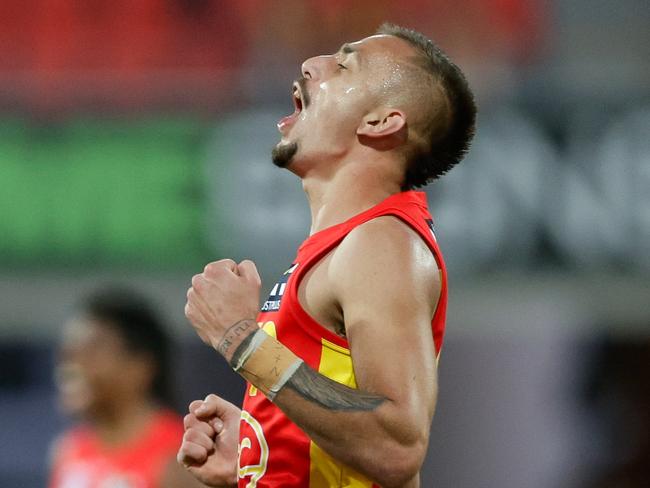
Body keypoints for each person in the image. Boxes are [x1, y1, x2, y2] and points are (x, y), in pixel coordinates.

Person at [179, 23, 476, 487]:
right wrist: (268, 448)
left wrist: (241, 340)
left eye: (343, 65)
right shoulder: (343, 247)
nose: (311, 65)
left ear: (380, 121)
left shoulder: (381, 243)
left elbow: (398, 446)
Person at [49, 286, 203, 488]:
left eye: (91, 352)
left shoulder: (182, 458)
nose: (72, 367)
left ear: (141, 366)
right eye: (70, 354)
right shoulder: (67, 451)